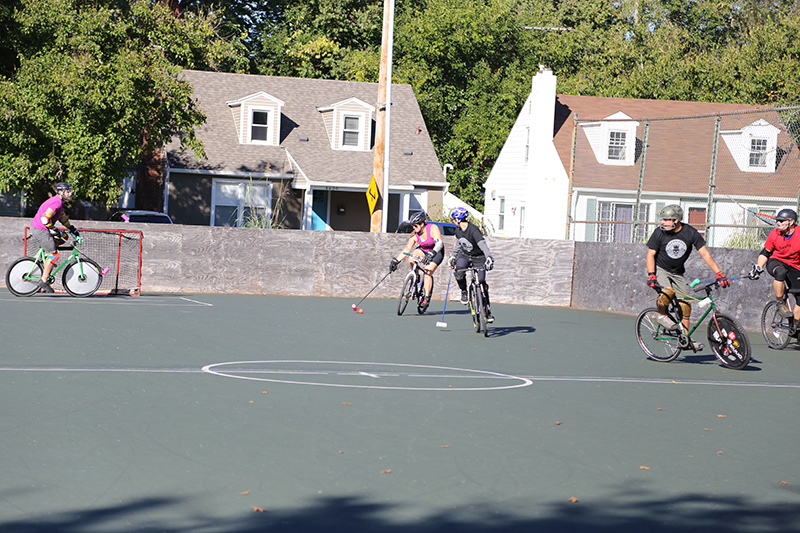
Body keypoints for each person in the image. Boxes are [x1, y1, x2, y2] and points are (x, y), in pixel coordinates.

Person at [646, 204, 730, 351]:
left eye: (667, 220)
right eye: (662, 219)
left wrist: (719, 272)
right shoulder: (659, 233)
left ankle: (685, 339)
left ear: (676, 220)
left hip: (678, 272)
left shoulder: (690, 233)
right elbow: (650, 254)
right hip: (661, 269)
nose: (663, 222)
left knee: (685, 306)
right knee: (667, 292)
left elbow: (704, 253)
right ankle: (661, 315)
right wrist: (651, 274)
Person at [748, 208, 800, 321]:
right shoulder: (774, 234)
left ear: (791, 222)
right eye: (777, 221)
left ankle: (795, 326)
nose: (778, 223)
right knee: (780, 272)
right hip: (776, 261)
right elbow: (765, 253)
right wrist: (758, 267)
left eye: (781, 221)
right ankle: (780, 303)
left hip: (794, 266)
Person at [389, 211, 444, 311]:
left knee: (427, 272)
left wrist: (432, 253)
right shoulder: (415, 235)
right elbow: (407, 249)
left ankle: (426, 298)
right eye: (412, 226)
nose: (414, 228)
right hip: (424, 250)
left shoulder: (432, 228)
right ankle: (416, 275)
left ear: (422, 224)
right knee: (411, 258)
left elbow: (439, 244)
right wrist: (396, 260)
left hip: (436, 251)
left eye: (415, 226)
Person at [29, 182, 78, 293]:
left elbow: (63, 217)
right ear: (60, 192)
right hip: (41, 230)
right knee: (54, 254)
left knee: (64, 237)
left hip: (41, 228)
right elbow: (45, 219)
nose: (70, 194)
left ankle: (47, 261)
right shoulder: (56, 203)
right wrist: (53, 228)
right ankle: (43, 281)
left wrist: (71, 228)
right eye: (68, 191)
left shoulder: (58, 203)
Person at [448, 207, 495, 323]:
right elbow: (458, 244)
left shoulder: (474, 230)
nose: (453, 222)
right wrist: (453, 256)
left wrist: (489, 257)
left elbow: (483, 244)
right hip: (464, 255)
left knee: (482, 282)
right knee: (459, 271)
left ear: (458, 220)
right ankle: (464, 291)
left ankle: (487, 311)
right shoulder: (458, 230)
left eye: (454, 219)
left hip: (478, 257)